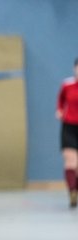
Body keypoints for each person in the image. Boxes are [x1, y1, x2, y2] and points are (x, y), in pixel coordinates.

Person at [56, 58, 78, 208]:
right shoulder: (67, 84)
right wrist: (59, 110)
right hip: (69, 127)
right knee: (71, 161)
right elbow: (61, 100)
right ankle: (72, 192)